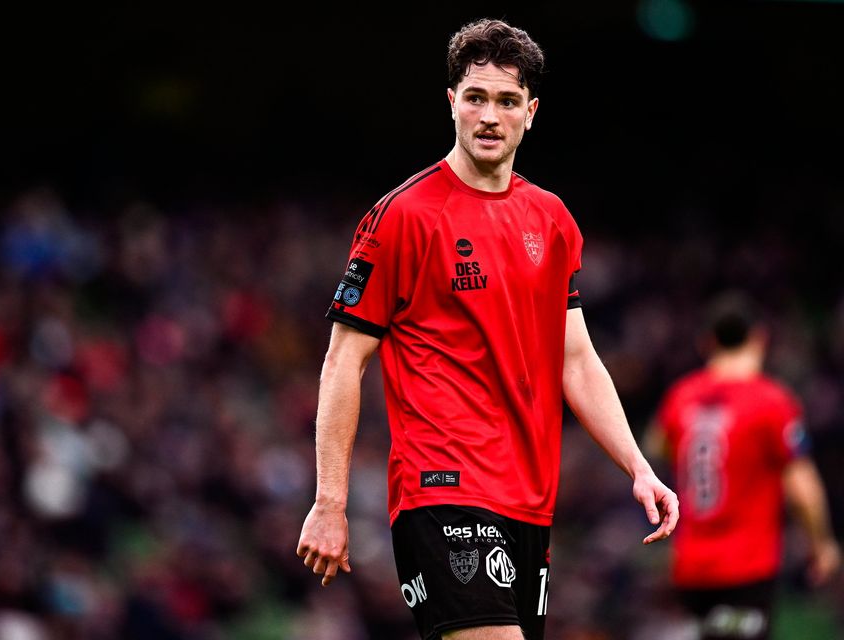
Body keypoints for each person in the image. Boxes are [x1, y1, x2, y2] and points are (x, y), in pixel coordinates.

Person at [296, 18, 679, 640]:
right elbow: (343, 361)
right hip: (441, 485)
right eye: (475, 98)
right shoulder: (401, 218)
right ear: (452, 103)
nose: (490, 116)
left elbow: (575, 359)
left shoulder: (551, 219)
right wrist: (330, 502)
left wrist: (638, 466)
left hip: (528, 495)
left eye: (506, 102)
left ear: (531, 112)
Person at [647, 292, 841, 640]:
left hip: (690, 568)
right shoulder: (771, 401)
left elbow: (655, 444)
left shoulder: (681, 397)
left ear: (707, 343)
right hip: (746, 568)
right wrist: (821, 545)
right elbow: (802, 487)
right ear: (759, 337)